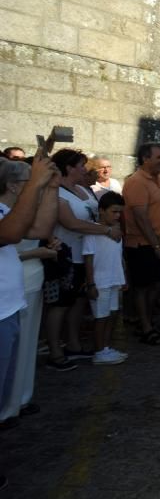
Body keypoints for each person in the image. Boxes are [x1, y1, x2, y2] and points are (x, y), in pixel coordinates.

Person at [0, 154, 59, 431]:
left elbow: (40, 229)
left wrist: (50, 188)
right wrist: (38, 184)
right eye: (26, 180)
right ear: (12, 185)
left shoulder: (5, 210)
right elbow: (10, 234)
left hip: (8, 309)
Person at [51, 148, 120, 364]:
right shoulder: (57, 192)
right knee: (61, 305)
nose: (85, 169)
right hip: (67, 256)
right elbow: (70, 222)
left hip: (87, 255)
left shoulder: (83, 189)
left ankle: (74, 344)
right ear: (69, 168)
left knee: (78, 304)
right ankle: (55, 352)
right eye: (81, 165)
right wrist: (107, 231)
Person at [122, 143, 160, 346]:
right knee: (142, 287)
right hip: (143, 245)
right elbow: (140, 218)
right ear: (145, 158)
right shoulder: (136, 182)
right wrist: (156, 246)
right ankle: (145, 328)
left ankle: (146, 320)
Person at [82, 192, 129, 365]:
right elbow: (88, 258)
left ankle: (106, 347)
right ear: (101, 210)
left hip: (114, 280)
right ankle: (99, 351)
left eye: (119, 213)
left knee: (112, 314)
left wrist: (123, 277)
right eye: (114, 212)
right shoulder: (92, 233)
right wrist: (91, 283)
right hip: (100, 282)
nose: (117, 216)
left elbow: (119, 256)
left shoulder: (117, 232)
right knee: (101, 318)